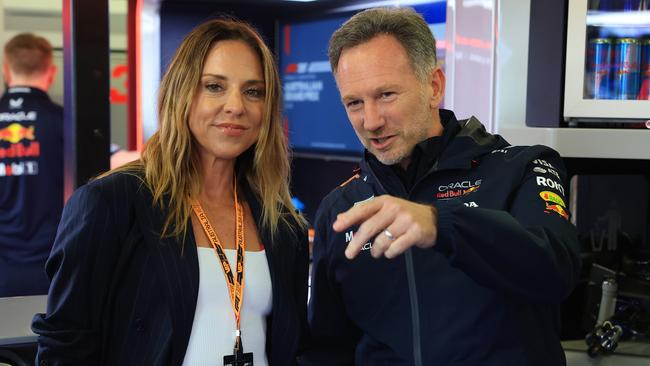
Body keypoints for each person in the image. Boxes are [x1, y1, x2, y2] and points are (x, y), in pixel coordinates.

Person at [303, 7, 580, 366]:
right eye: (354, 102)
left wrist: (441, 224)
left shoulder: (522, 167)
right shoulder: (340, 208)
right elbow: (327, 350)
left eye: (386, 94)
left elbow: (556, 271)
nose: (371, 121)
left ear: (434, 87)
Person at [31, 18, 309, 365]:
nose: (236, 105)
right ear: (181, 92)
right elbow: (63, 349)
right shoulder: (112, 204)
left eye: (253, 91)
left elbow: (294, 347)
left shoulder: (283, 224)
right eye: (214, 86)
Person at [0, 33, 62, 297]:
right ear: (51, 72)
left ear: (6, 70)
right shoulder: (66, 121)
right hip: (53, 268)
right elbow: (118, 160)